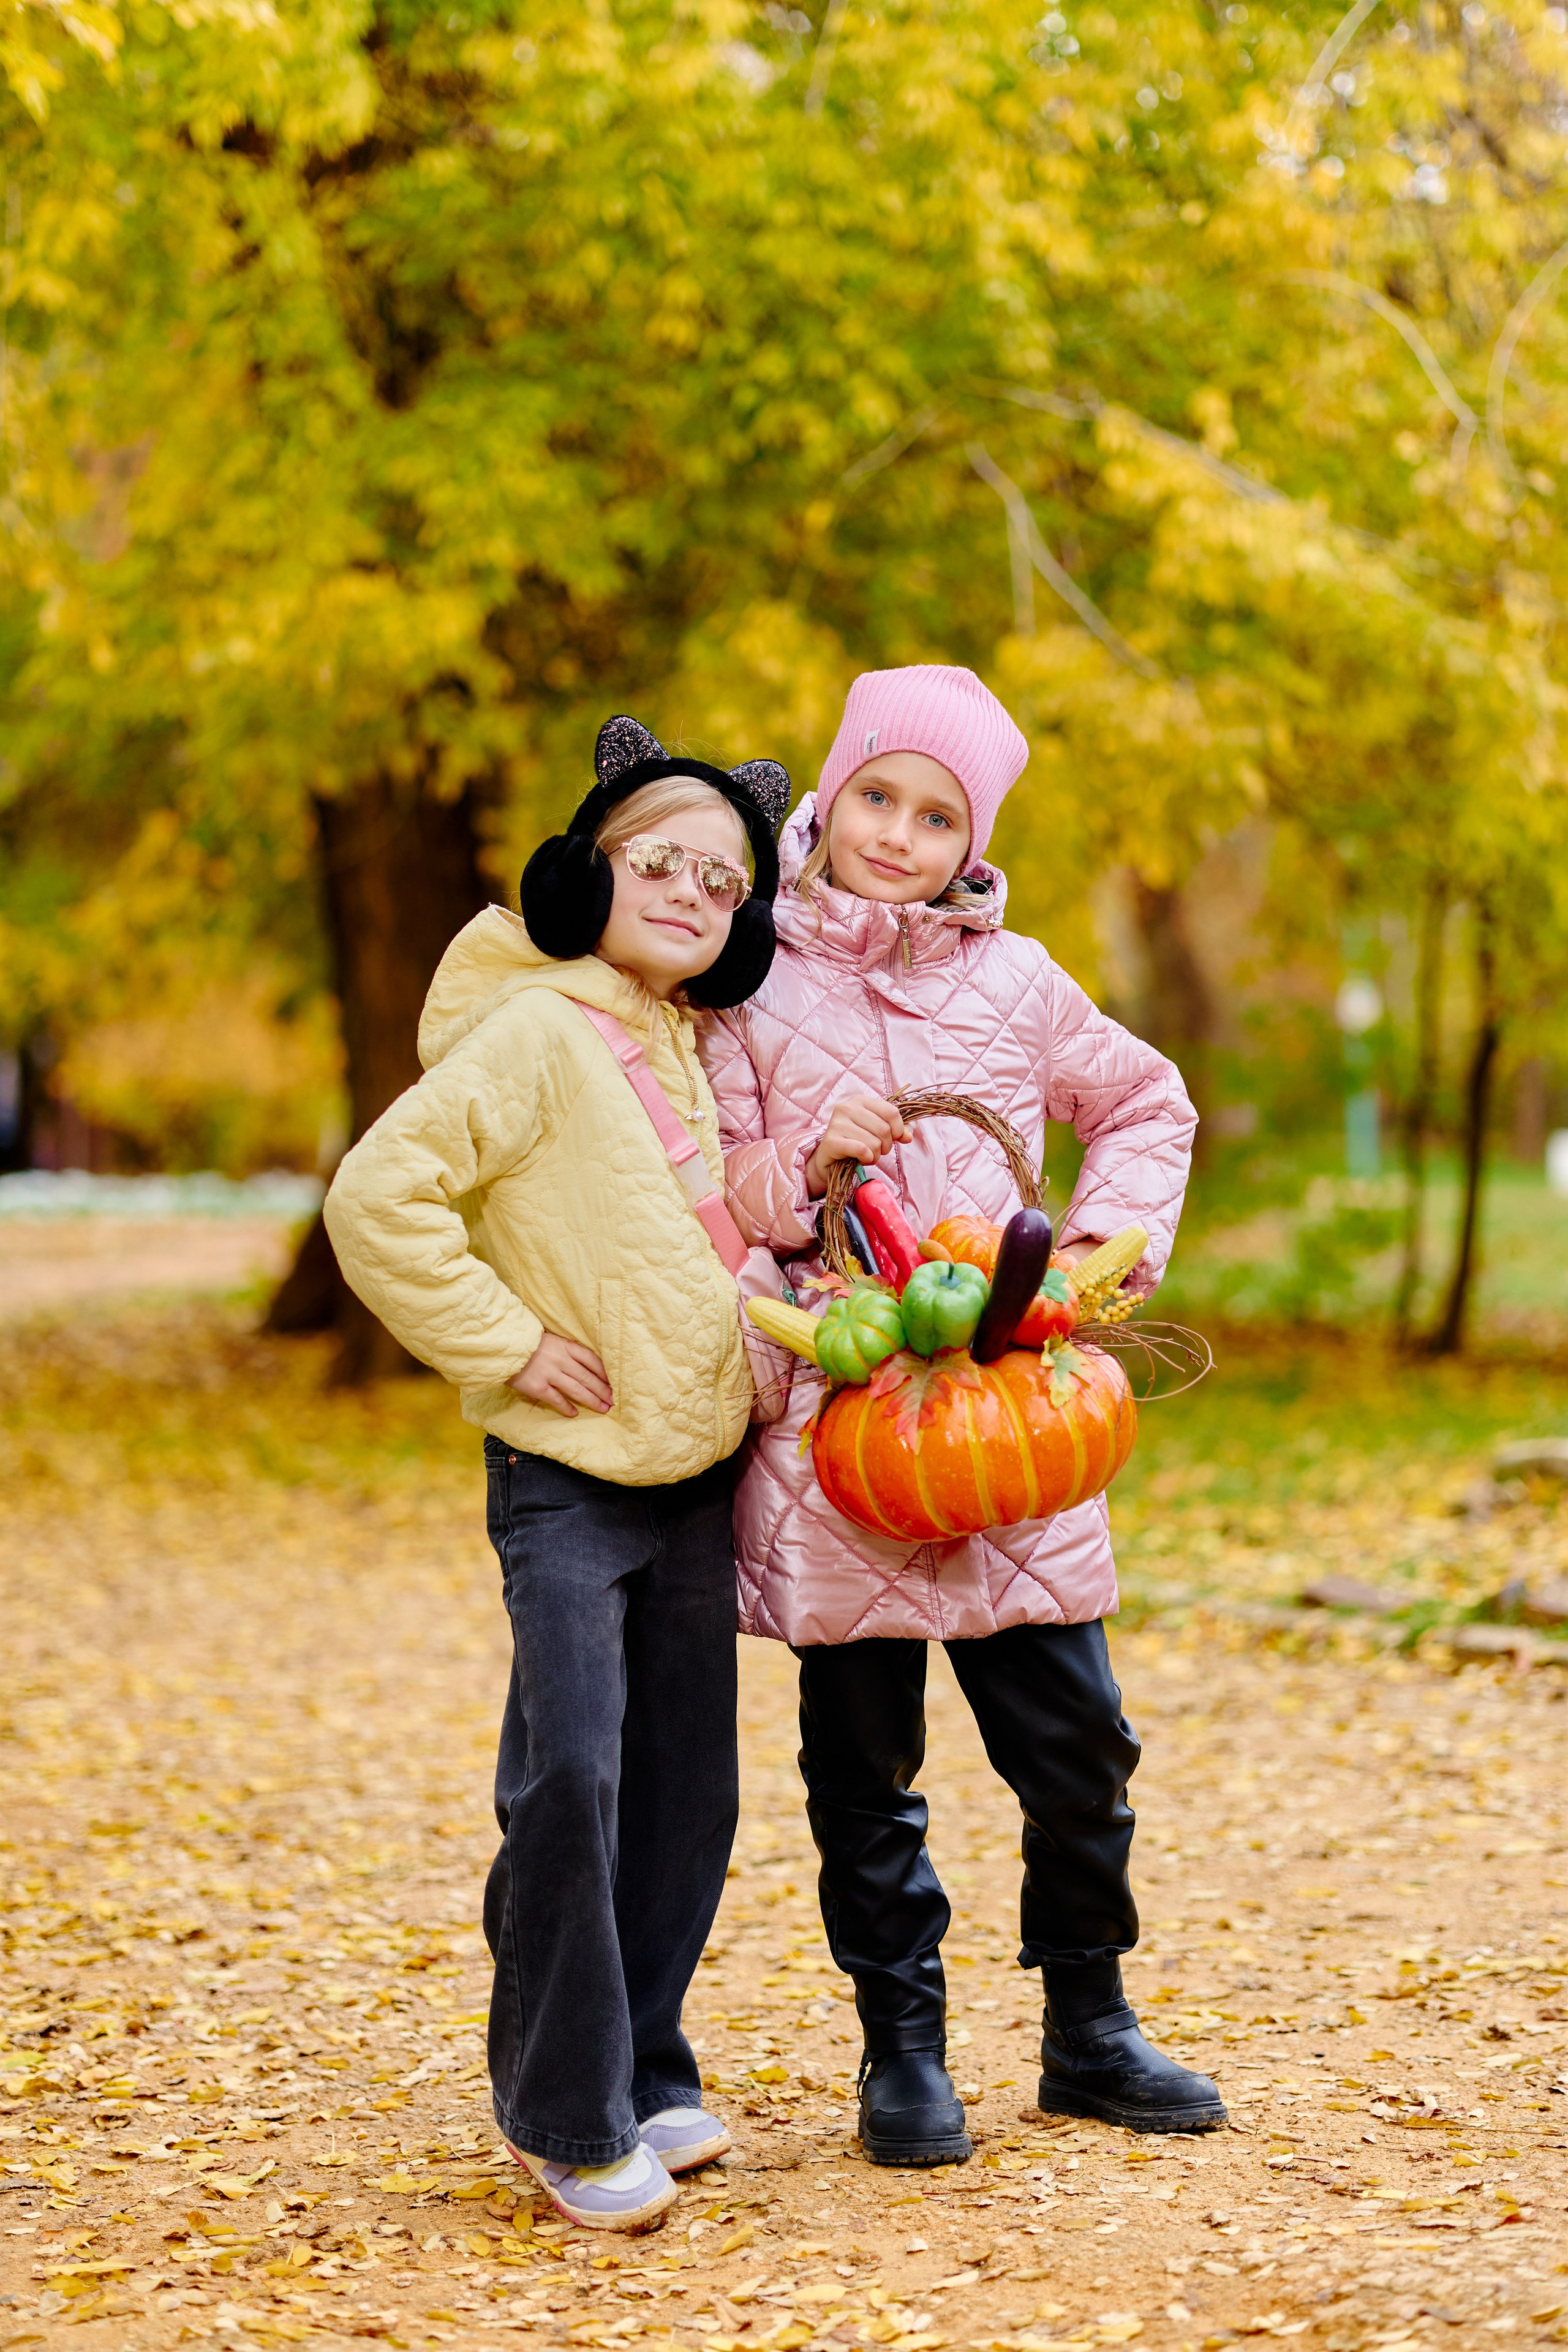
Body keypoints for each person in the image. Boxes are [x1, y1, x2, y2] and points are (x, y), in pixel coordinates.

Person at [699, 664, 1225, 2163]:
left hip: (1009, 1409)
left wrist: (1095, 1258)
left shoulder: (1017, 981)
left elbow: (1142, 1105)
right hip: (845, 1416)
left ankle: (1090, 2024)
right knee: (862, 1763)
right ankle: (901, 2053)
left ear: (970, 838)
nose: (899, 835)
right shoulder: (746, 971)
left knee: (1079, 1744)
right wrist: (803, 1158)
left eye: (937, 816)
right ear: (830, 792)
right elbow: (713, 1170)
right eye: (878, 796)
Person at [324, 715, 791, 2229]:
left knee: (682, 1794)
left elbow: (692, 1223)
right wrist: (505, 1339)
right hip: (568, 1477)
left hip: (691, 1471)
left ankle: (644, 2058)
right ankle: (565, 2109)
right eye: (657, 858)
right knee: (573, 1774)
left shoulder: (688, 1042)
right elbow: (378, 1197)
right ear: (583, 872)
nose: (688, 890)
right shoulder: (534, 1035)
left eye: (721, 883)